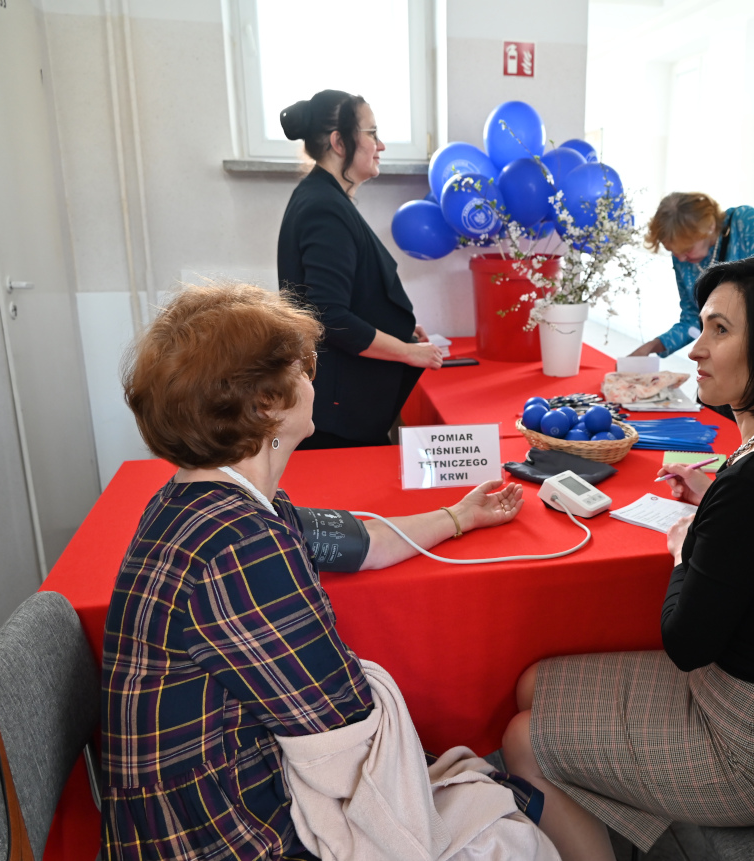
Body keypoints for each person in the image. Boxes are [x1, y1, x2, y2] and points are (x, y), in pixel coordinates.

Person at [102, 284, 535, 859]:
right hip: (225, 834)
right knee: (505, 829)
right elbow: (342, 721)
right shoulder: (244, 546)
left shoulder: (200, 499)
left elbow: (361, 542)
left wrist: (461, 516)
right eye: (302, 370)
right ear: (266, 405)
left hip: (176, 811)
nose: (313, 380)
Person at [501, 256, 754, 860]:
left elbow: (686, 643)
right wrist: (715, 502)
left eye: (720, 330)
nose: (695, 350)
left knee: (522, 739)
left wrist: (685, 548)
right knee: (534, 683)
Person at [277, 89, 442, 449]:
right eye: (372, 133)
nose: (380, 145)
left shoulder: (325, 197)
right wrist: (406, 351)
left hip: (341, 408)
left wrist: (397, 327)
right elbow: (329, 315)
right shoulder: (324, 207)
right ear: (339, 142)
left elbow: (351, 293)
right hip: (338, 419)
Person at [629, 192, 754, 357]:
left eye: (687, 250)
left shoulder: (744, 222)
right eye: (673, 251)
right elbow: (693, 320)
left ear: (709, 227)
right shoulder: (682, 256)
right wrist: (651, 347)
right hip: (723, 355)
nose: (681, 258)